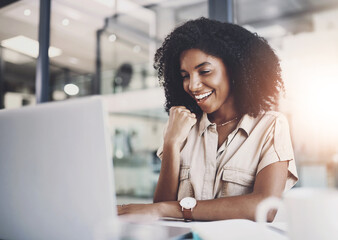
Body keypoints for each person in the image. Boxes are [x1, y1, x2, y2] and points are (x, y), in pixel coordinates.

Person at [118, 17, 298, 222]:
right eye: (185, 75)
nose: (193, 85)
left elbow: (265, 208)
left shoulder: (270, 126)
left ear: (234, 70)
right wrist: (171, 143)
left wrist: (174, 209)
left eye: (204, 71)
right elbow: (160, 210)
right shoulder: (182, 128)